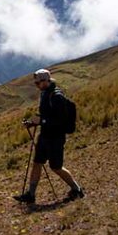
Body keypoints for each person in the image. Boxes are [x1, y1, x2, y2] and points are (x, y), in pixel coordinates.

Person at [14, 69, 84, 204]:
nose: (38, 85)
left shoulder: (57, 96)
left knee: (56, 167)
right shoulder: (45, 94)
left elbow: (60, 120)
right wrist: (33, 123)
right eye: (36, 83)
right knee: (37, 163)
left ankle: (77, 189)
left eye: (40, 82)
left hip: (56, 137)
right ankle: (31, 194)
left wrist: (41, 122)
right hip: (45, 135)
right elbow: (46, 115)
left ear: (47, 80)